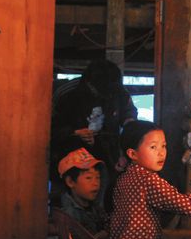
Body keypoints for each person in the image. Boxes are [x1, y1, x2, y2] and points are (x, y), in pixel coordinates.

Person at [50, 59, 137, 208]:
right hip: (70, 155)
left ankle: (99, 222)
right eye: (100, 91)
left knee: (106, 194)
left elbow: (129, 113)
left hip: (107, 153)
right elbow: (50, 127)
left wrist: (129, 124)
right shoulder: (68, 93)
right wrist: (74, 132)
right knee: (68, 198)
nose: (105, 96)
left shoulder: (119, 91)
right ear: (89, 82)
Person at [57, 148, 109, 239]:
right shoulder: (70, 214)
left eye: (97, 177)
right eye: (89, 178)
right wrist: (101, 236)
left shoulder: (92, 207)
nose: (96, 182)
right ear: (70, 182)